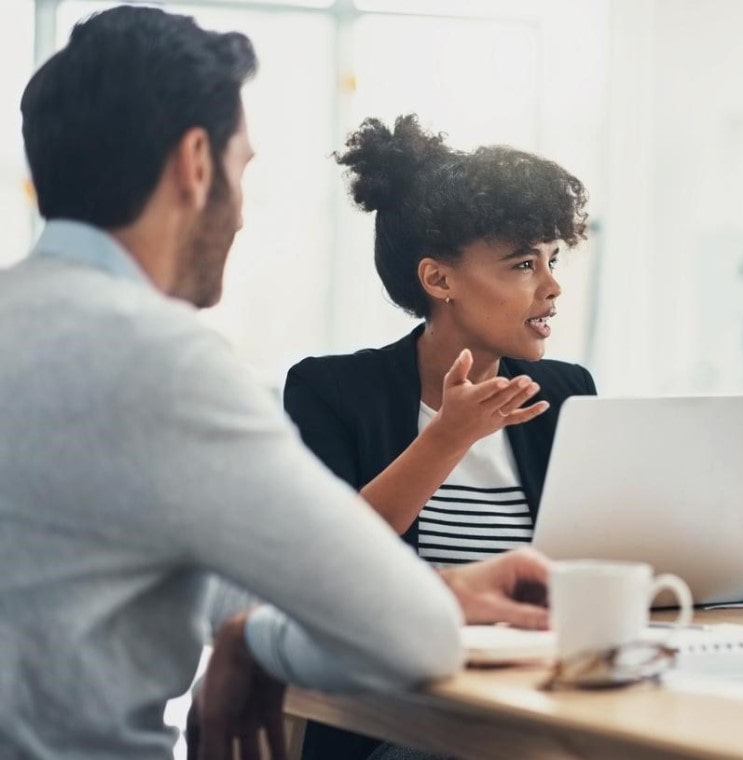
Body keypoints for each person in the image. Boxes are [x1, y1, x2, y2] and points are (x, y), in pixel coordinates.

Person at [0, 7, 552, 759]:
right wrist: (439, 600)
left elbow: (232, 597)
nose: (240, 214)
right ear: (197, 164)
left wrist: (257, 634)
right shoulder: (166, 362)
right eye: (242, 169)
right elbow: (412, 638)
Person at [282, 116, 593, 758]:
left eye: (553, 259)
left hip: (539, 693)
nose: (553, 286)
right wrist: (447, 437)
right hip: (396, 716)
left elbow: (592, 551)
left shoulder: (564, 391)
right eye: (522, 264)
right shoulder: (331, 391)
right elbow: (333, 561)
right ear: (439, 280)